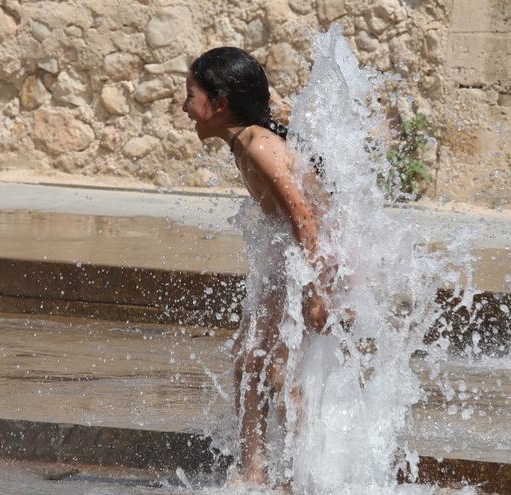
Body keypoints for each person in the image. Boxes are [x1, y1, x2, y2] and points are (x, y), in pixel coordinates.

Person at [182, 47, 329, 487]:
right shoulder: (245, 141)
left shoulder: (258, 145)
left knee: (276, 366)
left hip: (320, 257)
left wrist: (317, 290)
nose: (184, 106)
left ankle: (303, 473)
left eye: (191, 94)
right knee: (252, 358)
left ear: (219, 103)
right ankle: (257, 472)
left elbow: (306, 216)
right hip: (297, 254)